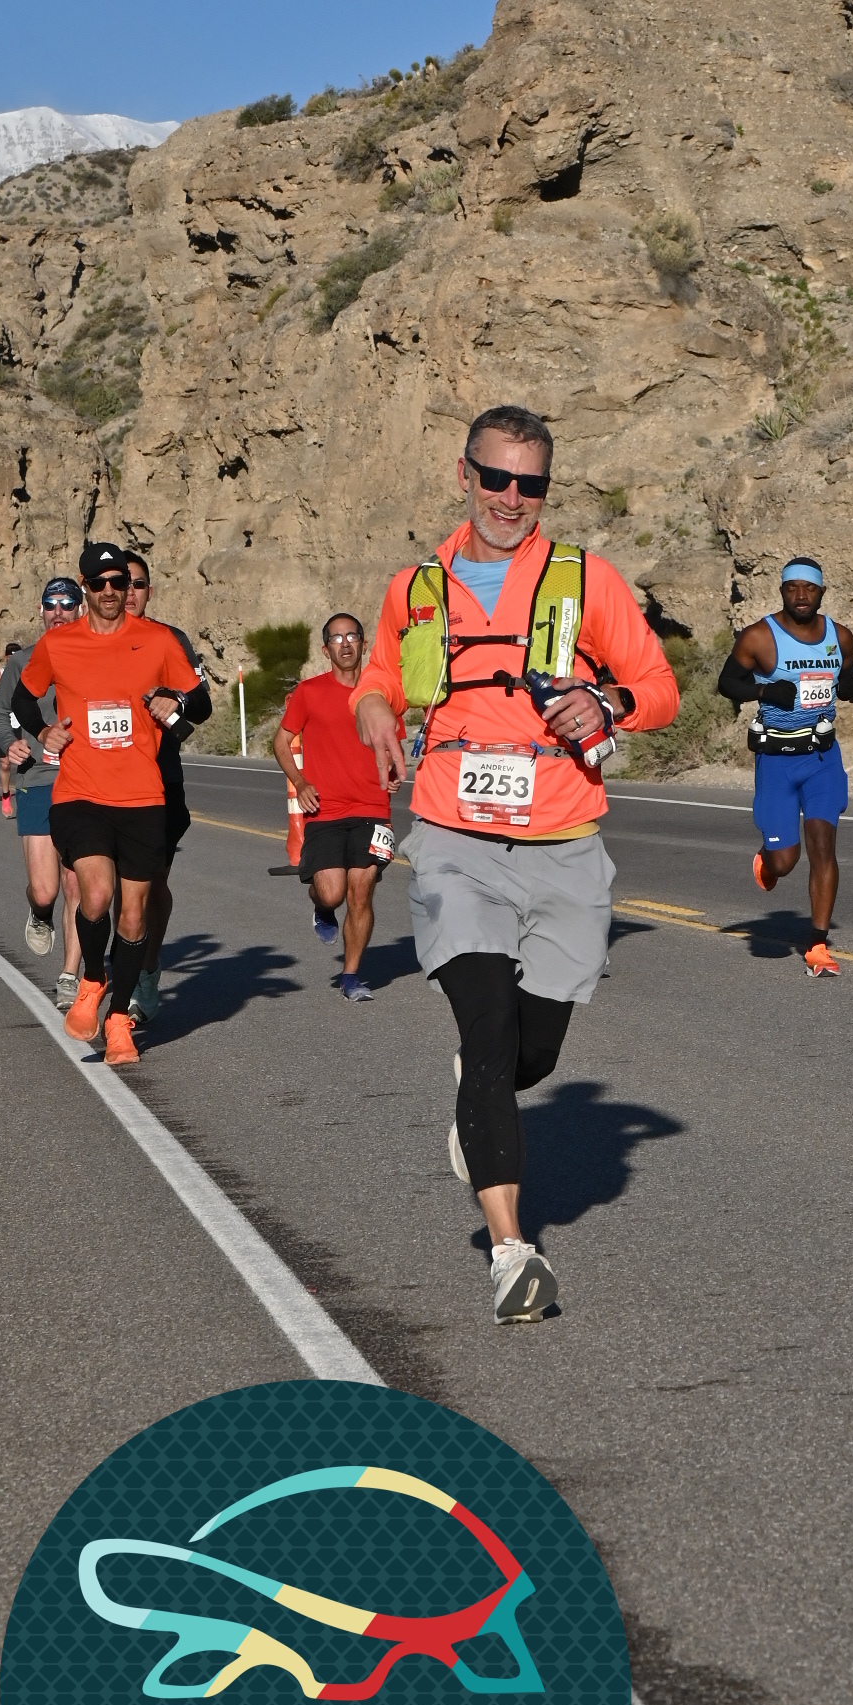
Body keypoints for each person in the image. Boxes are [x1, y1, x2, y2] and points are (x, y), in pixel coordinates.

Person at [352, 405, 679, 1323]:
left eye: (528, 484)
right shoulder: (416, 587)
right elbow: (381, 676)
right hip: (455, 839)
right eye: (494, 478)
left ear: (545, 489)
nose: (509, 498)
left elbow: (658, 688)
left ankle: (479, 1088)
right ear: (465, 475)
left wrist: (607, 704)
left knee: (533, 1050)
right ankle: (511, 1252)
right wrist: (373, 708)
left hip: (563, 842)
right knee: (491, 1032)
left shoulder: (584, 579)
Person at [15, 542, 200, 1067]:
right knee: (95, 897)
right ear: (86, 588)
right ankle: (93, 977)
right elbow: (24, 697)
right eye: (99, 584)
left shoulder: (158, 640)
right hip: (81, 792)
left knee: (134, 917)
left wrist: (176, 699)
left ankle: (119, 1019)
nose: (111, 591)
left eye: (119, 581)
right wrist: (43, 731)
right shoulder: (59, 644)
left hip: (143, 796)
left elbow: (201, 702)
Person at [716, 559, 853, 976]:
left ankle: (817, 944)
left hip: (821, 757)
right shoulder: (759, 636)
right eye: (792, 587)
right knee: (785, 861)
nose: (801, 595)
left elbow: (849, 680)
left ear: (822, 592)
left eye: (809, 588)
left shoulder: (840, 637)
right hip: (777, 760)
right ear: (782, 591)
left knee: (823, 845)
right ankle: (768, 858)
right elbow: (727, 683)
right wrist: (764, 691)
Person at [276, 612, 394, 1002]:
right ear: (325, 649)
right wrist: (300, 782)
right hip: (325, 810)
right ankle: (322, 908)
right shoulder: (309, 692)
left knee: (361, 893)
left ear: (364, 643)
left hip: (373, 808)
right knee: (332, 893)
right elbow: (281, 741)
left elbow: (389, 741)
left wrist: (393, 773)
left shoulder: (381, 693)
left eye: (352, 636)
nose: (345, 644)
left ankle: (351, 975)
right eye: (336, 638)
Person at [119, 550, 213, 1023]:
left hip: (160, 781)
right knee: (111, 888)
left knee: (152, 883)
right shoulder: (90, 640)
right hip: (103, 782)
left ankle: (147, 968)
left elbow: (202, 703)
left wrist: (174, 697)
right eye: (121, 583)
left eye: (138, 584)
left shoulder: (169, 639)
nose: (128, 592)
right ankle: (112, 970)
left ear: (149, 591)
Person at [0, 580, 85, 983]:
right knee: (47, 890)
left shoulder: (95, 654)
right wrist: (9, 742)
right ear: (40, 610)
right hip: (38, 778)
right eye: (51, 604)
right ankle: (39, 911)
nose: (58, 612)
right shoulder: (22, 662)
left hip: (85, 779)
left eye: (67, 603)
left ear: (81, 608)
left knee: (75, 883)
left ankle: (70, 976)